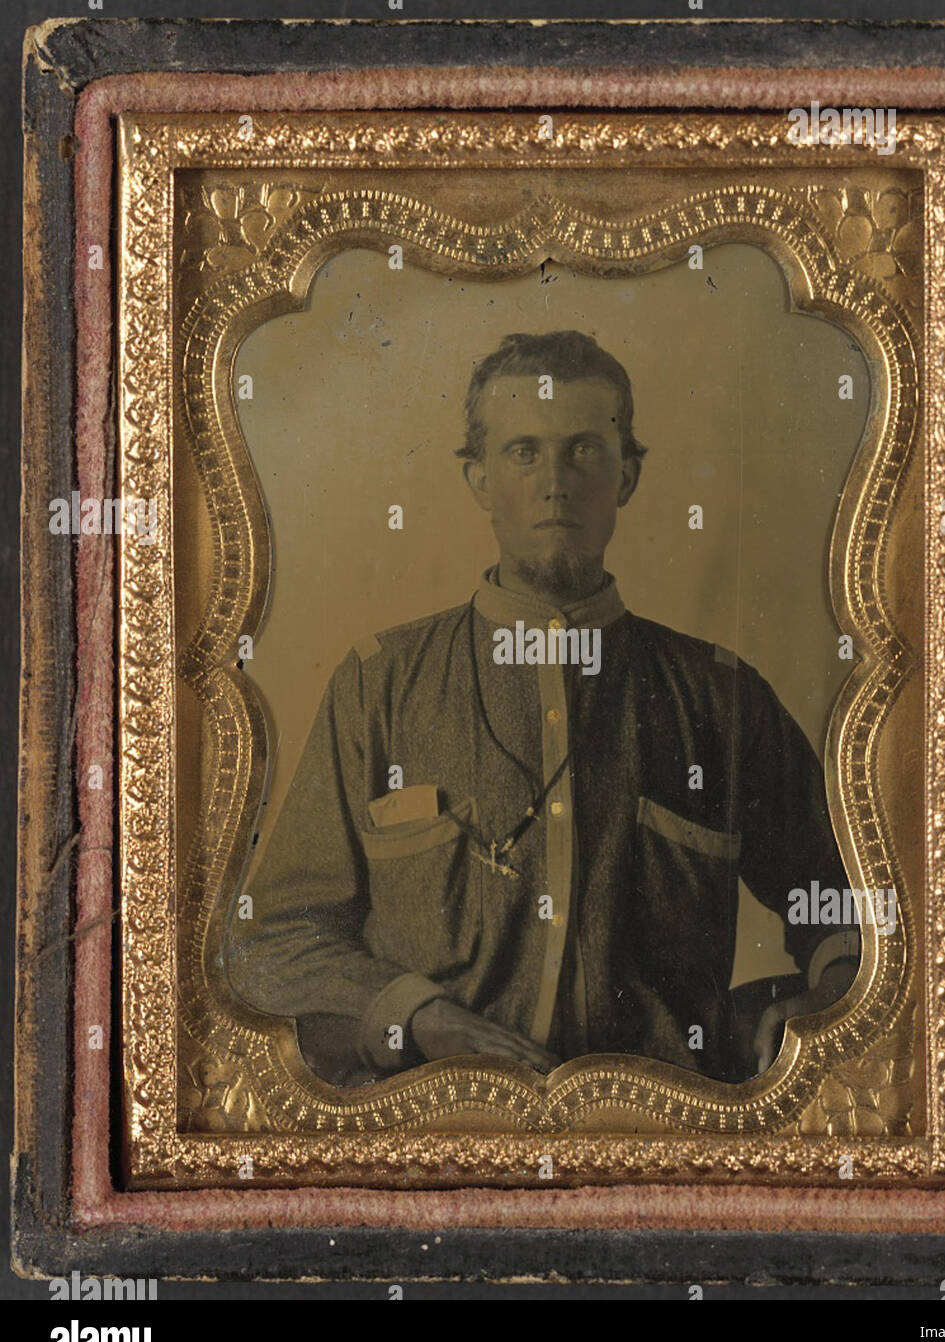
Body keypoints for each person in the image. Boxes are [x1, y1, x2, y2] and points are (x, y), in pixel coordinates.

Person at [226, 330, 858, 1086]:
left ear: (625, 475)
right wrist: (420, 1015)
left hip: (655, 1139)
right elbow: (273, 940)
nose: (555, 482)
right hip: (437, 1132)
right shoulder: (379, 685)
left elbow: (845, 898)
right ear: (479, 479)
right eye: (523, 452)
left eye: (584, 450)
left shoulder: (717, 696)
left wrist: (821, 996)